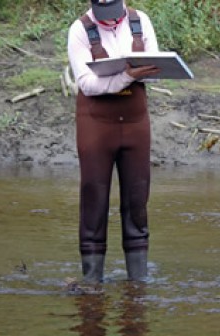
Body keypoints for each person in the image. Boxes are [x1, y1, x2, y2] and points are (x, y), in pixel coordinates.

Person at [68, 0, 161, 283]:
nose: (108, 20)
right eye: (102, 14)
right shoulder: (80, 30)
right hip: (96, 123)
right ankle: (92, 282)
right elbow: (87, 83)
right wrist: (126, 76)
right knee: (94, 196)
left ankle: (138, 283)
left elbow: (156, 64)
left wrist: (151, 71)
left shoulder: (140, 21)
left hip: (135, 122)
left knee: (137, 198)